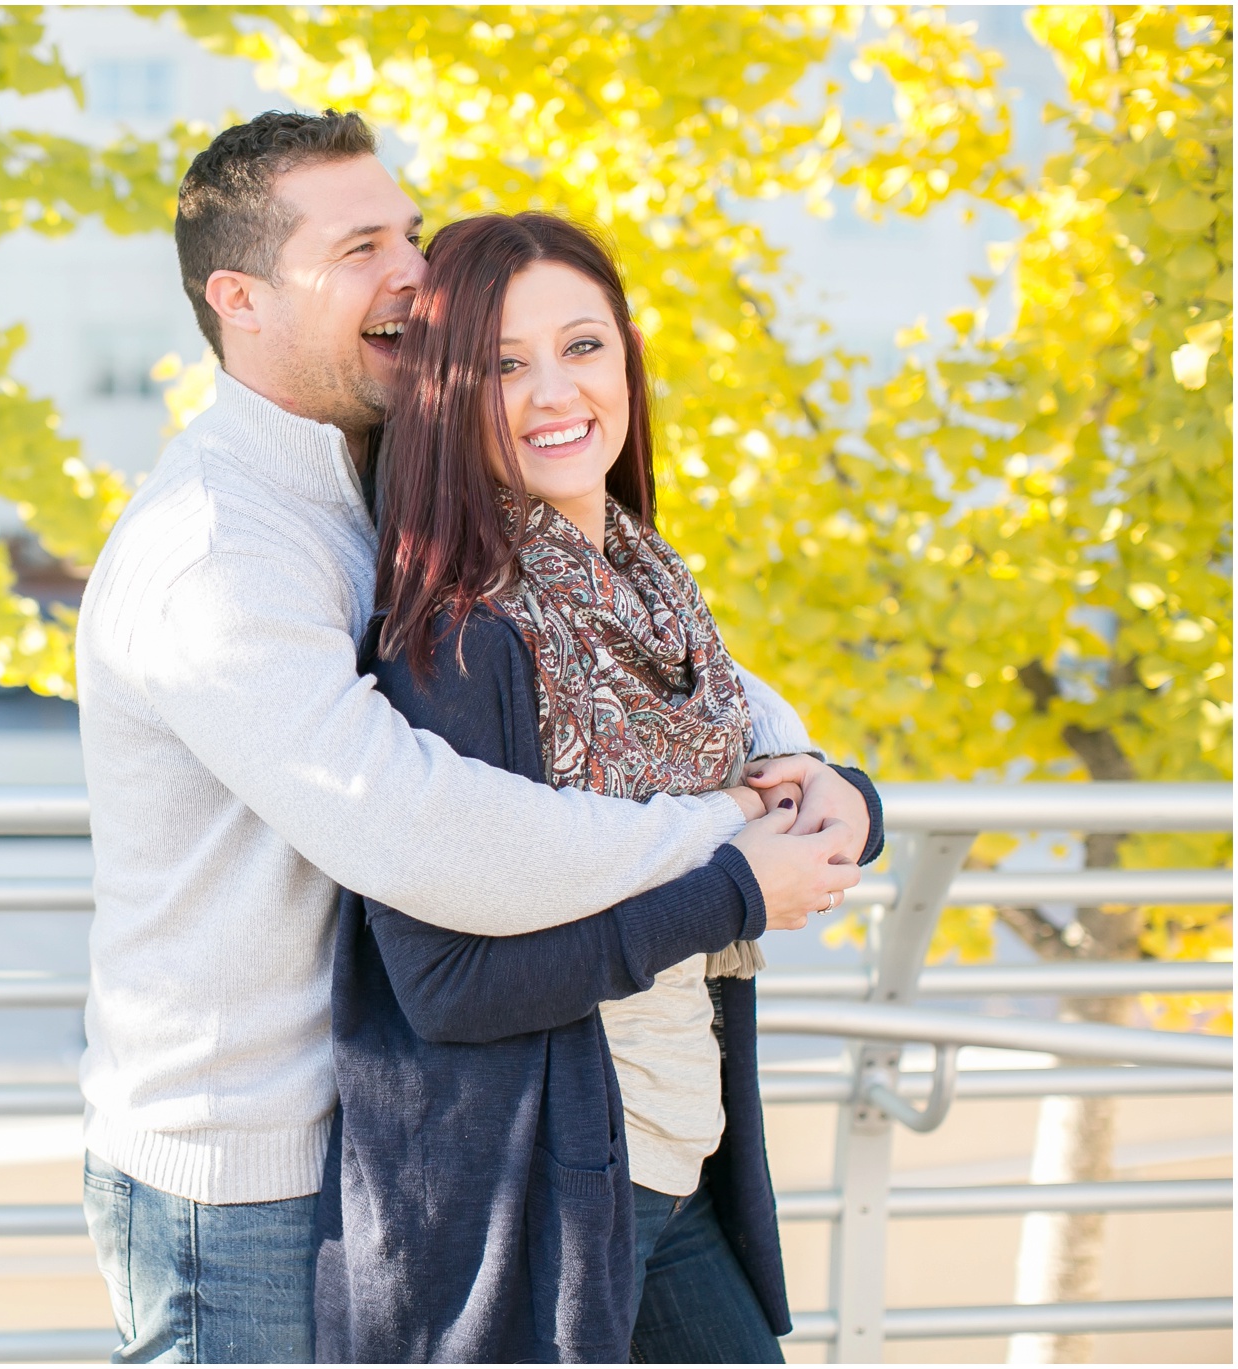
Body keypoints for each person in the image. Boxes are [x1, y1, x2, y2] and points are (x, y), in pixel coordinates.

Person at [75, 110, 867, 1363]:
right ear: (239, 297)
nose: (409, 271)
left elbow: (638, 660)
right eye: (356, 249)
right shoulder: (218, 549)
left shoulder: (383, 471)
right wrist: (728, 849)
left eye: (409, 229)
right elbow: (420, 829)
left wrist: (808, 768)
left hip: (399, 1126)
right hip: (242, 1164)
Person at [313, 211, 885, 1363]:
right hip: (540, 1196)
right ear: (440, 397)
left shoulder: (644, 587)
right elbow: (446, 986)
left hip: (664, 1160)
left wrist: (850, 797)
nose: (551, 393)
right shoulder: (463, 637)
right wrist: (731, 893)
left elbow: (752, 763)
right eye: (501, 366)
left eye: (581, 347)